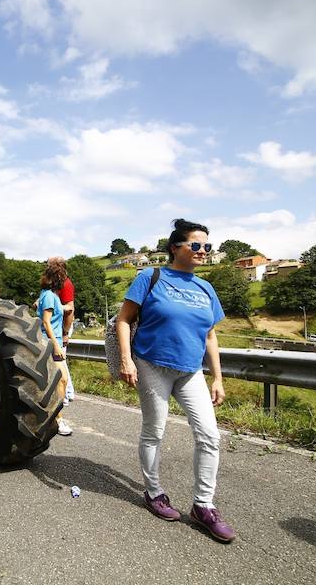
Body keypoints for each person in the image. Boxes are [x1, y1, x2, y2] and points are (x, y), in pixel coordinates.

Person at [115, 218, 234, 542]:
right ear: (175, 248)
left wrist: (218, 378)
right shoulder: (150, 277)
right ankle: (153, 492)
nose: (203, 251)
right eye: (196, 245)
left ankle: (203, 506)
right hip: (152, 365)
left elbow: (210, 335)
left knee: (210, 435)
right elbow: (124, 320)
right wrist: (127, 360)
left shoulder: (206, 288)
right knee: (155, 430)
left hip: (190, 371)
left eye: (207, 246)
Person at [37, 262, 72, 436]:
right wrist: (57, 345)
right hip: (52, 342)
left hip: (51, 341)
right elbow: (46, 321)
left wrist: (65, 307)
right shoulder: (50, 296)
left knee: (60, 380)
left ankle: (53, 415)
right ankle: (57, 419)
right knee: (61, 380)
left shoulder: (47, 295)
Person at [48, 257, 76, 404]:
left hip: (61, 328)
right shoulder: (57, 284)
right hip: (58, 326)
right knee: (60, 359)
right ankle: (69, 393)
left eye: (48, 266)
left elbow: (70, 310)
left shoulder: (65, 284)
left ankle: (65, 394)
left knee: (59, 359)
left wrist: (65, 333)